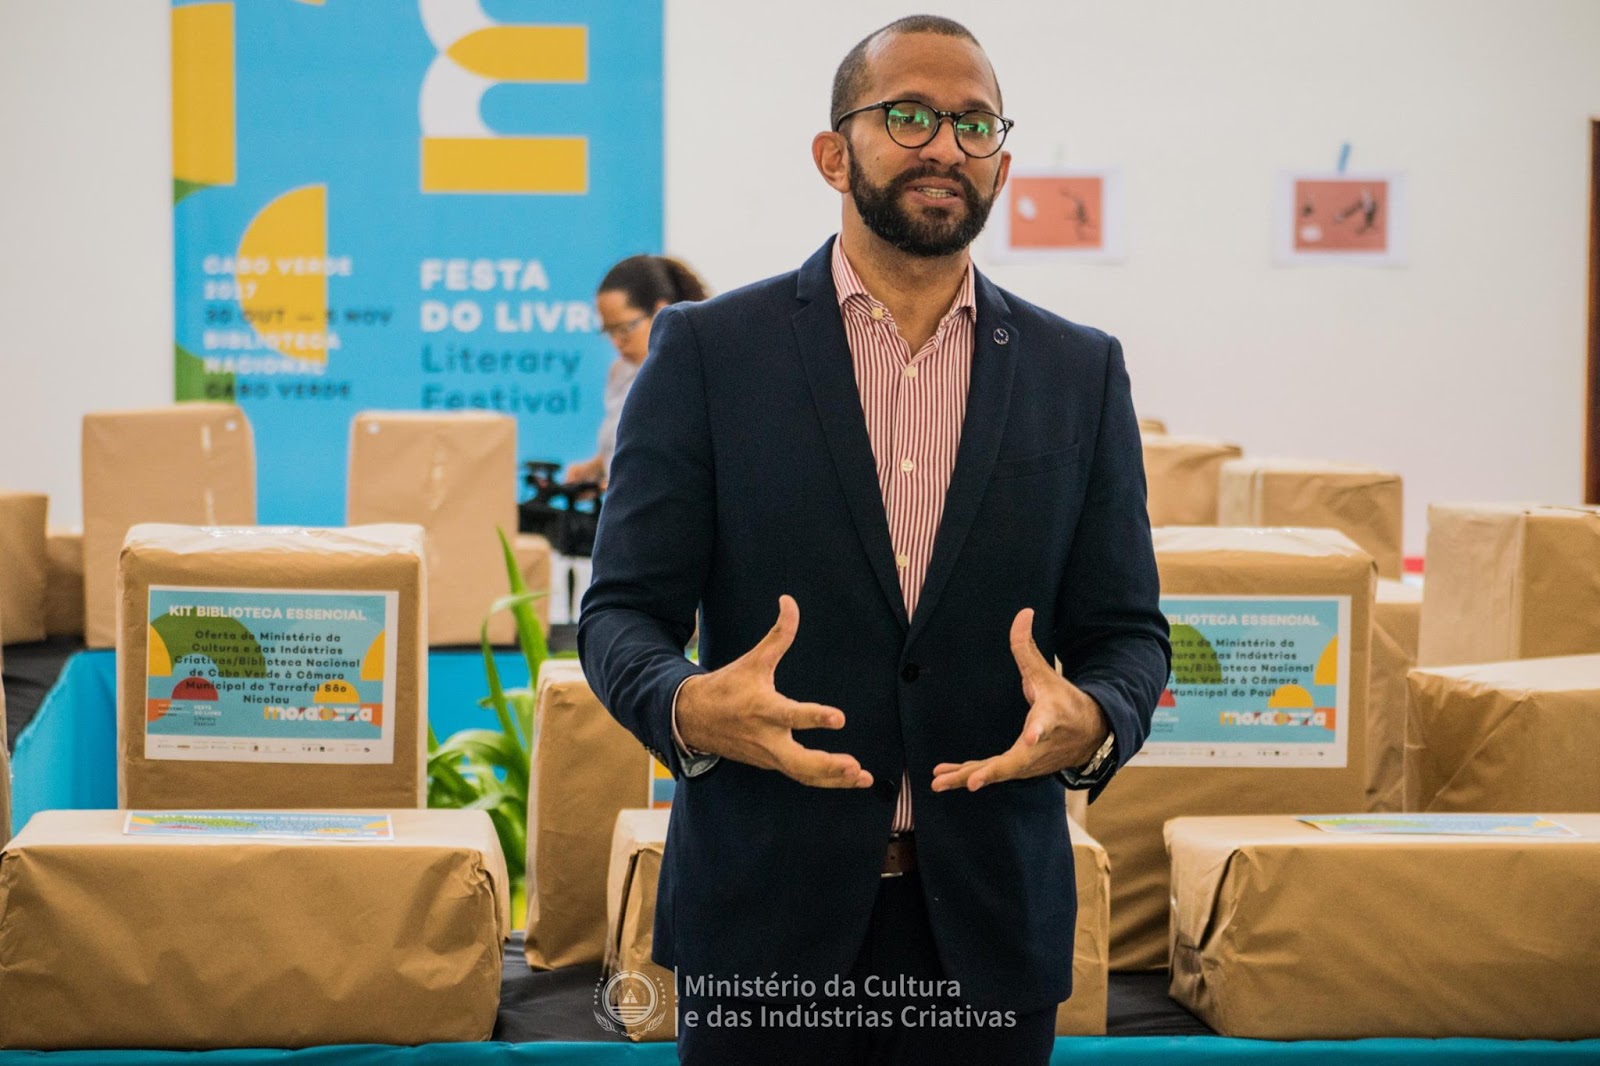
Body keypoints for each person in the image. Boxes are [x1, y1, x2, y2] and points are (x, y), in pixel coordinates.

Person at [579, 15, 1169, 1065]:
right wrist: (687, 705)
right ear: (831, 152)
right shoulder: (711, 353)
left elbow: (1127, 632)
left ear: (1001, 163)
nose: (945, 144)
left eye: (975, 124)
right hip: (766, 922)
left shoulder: (1078, 372)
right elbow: (622, 612)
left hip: (987, 933)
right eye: (908, 115)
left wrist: (1096, 718)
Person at [564, 255, 709, 486]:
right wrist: (594, 470)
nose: (616, 342)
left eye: (624, 328)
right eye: (609, 331)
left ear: (661, 312)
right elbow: (626, 447)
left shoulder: (695, 380)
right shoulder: (619, 373)